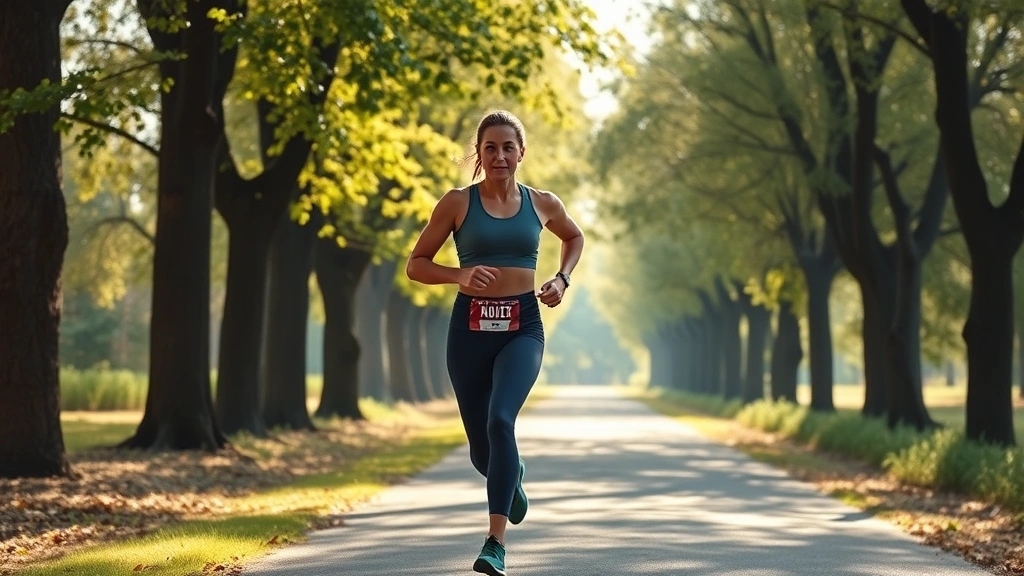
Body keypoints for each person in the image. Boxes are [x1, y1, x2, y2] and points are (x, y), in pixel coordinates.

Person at [405, 110, 584, 576]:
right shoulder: (457, 203)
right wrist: (458, 274)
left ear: (521, 153)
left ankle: (494, 543)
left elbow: (574, 236)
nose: (500, 155)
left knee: (500, 420)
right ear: (479, 155)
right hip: (469, 330)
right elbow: (417, 263)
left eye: (508, 147)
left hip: (522, 327)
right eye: (491, 148)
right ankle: (512, 478)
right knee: (481, 451)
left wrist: (562, 279)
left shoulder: (542, 203)